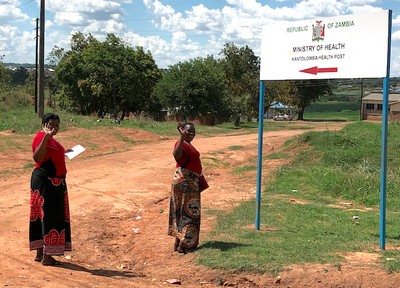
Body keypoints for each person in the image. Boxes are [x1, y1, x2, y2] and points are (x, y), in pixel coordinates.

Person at [29, 113, 73, 266]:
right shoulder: (41, 137)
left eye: (57, 125)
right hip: (47, 184)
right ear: (44, 124)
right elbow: (37, 158)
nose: (54, 128)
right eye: (51, 125)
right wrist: (47, 137)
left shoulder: (49, 139)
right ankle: (47, 257)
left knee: (43, 216)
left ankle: (40, 253)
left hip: (50, 183)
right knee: (50, 217)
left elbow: (50, 154)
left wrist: (64, 152)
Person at [168, 122, 207, 253]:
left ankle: (179, 243)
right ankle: (185, 245)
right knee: (189, 214)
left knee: (182, 213)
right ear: (182, 131)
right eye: (188, 131)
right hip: (186, 182)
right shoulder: (181, 144)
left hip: (190, 182)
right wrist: (182, 138)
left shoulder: (188, 144)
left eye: (193, 132)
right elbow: (176, 155)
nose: (191, 134)